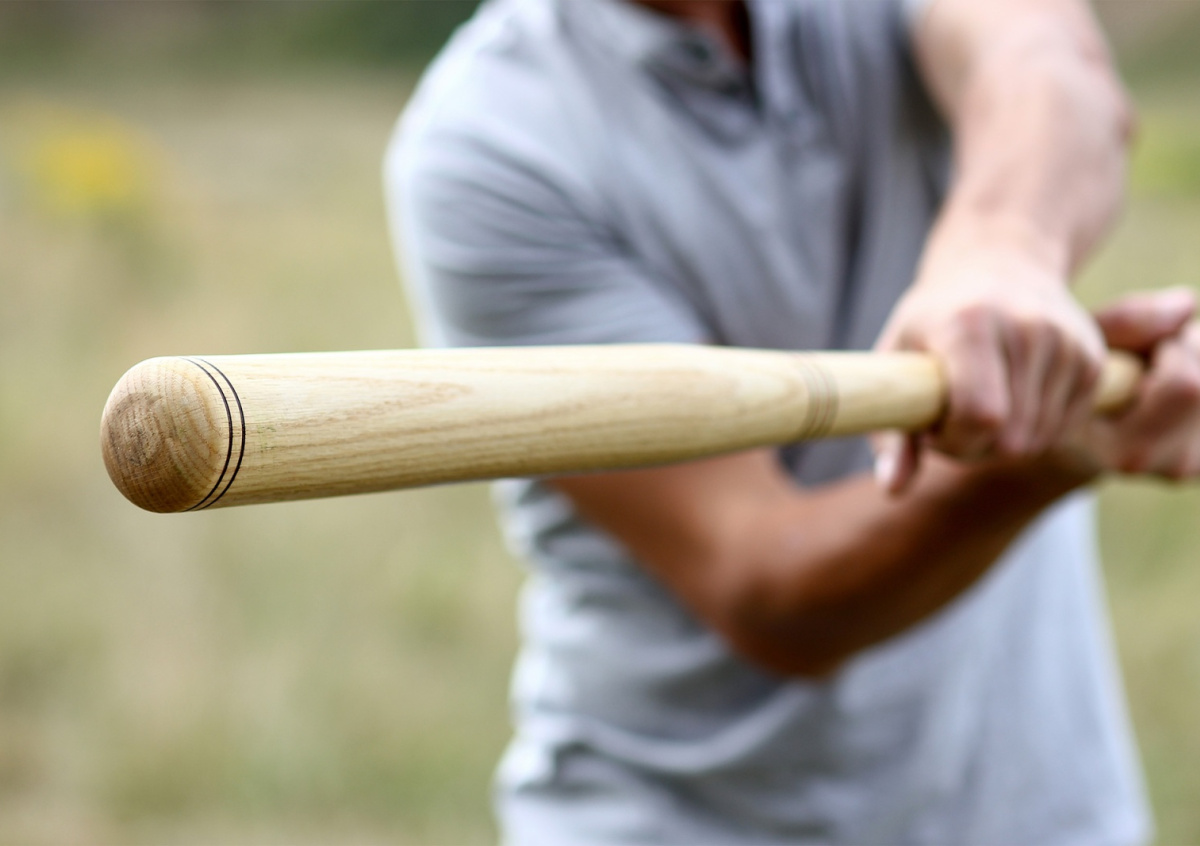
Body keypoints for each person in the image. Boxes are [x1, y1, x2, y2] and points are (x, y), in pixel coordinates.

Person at [384, 0, 1200, 842]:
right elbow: (766, 587)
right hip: (693, 820)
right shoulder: (489, 144)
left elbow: (1049, 62)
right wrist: (1043, 454)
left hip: (1030, 808)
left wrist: (1002, 253)